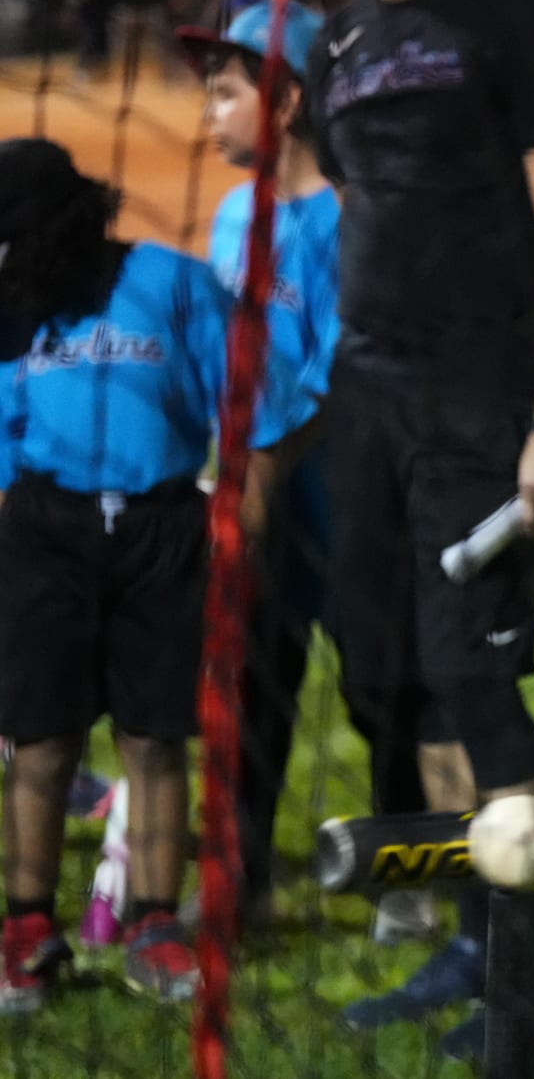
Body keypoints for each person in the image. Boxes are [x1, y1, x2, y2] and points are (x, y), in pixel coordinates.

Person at [306, 0, 534, 1059]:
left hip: (481, 408)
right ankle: (483, 940)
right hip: (363, 401)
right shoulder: (337, 40)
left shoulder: (519, 23)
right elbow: (362, 213)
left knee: (474, 681)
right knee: (393, 683)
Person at [0, 138, 316, 1010]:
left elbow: (255, 407)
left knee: (155, 738)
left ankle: (153, 924)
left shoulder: (172, 283)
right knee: (41, 740)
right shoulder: (15, 303)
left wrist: (244, 523)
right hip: (47, 530)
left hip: (164, 530)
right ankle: (26, 929)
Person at [175, 0, 437, 941]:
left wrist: (263, 473)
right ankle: (240, 881)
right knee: (251, 688)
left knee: (380, 688)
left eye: (225, 91)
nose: (208, 112)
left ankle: (405, 874)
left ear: (285, 102)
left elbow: (335, 376)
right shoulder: (232, 216)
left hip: (344, 496)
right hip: (258, 493)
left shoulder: (349, 220)